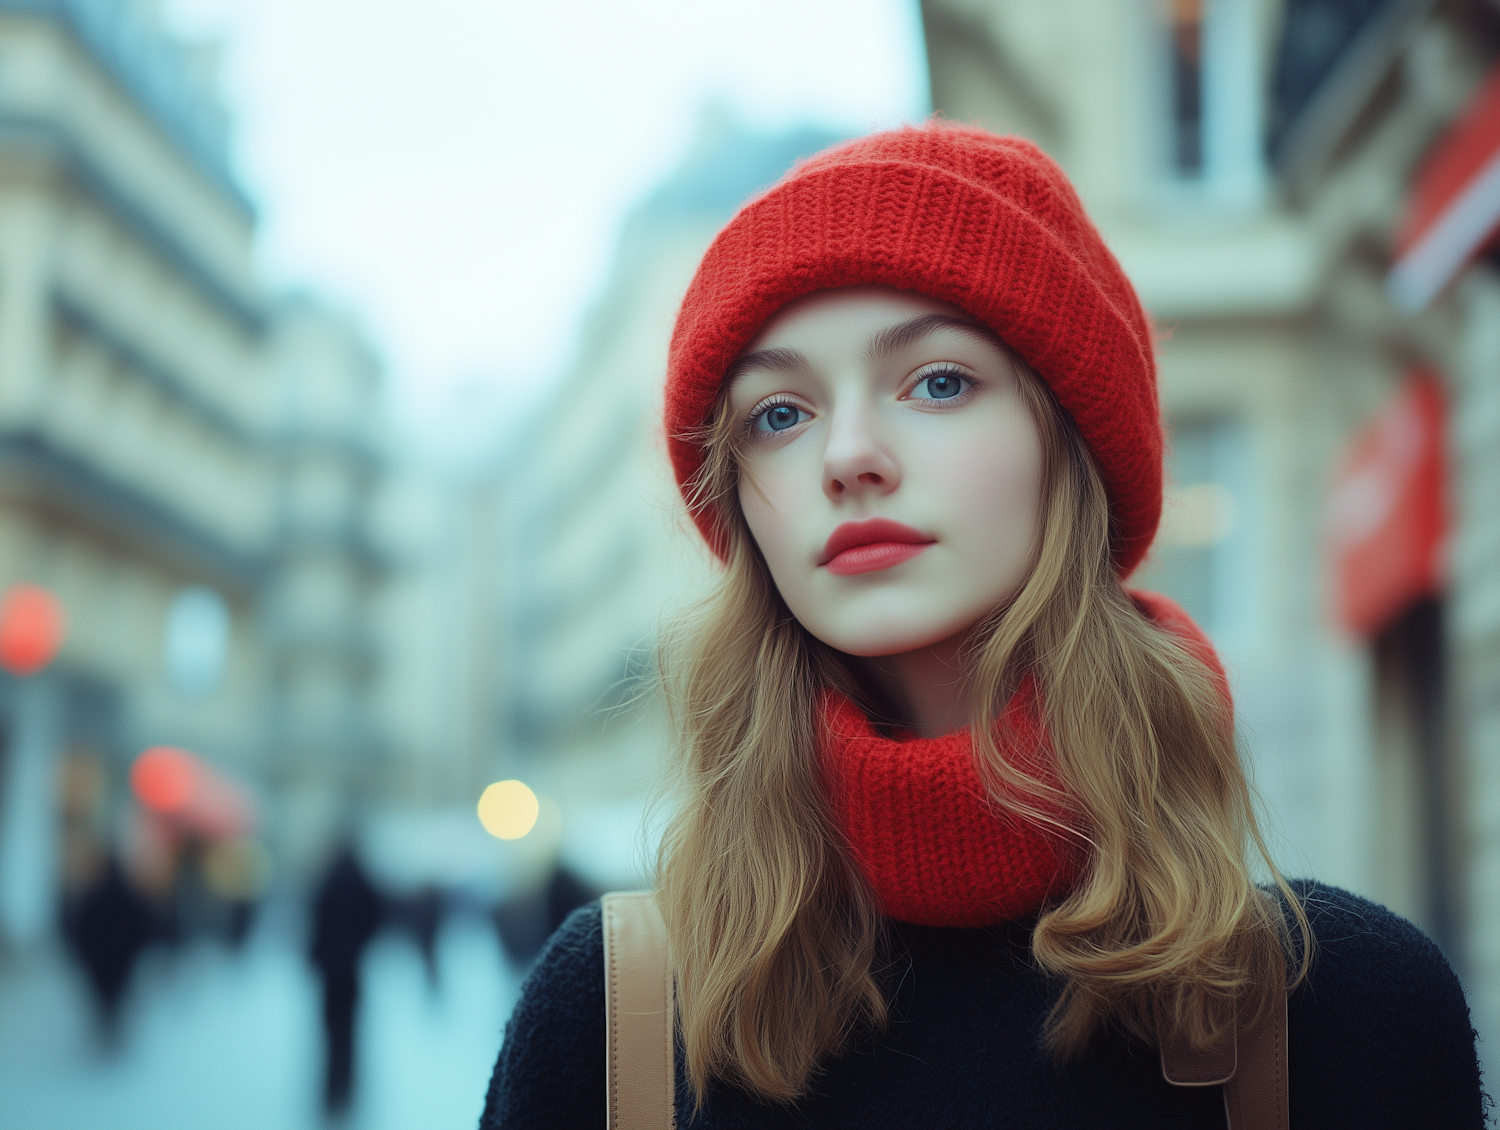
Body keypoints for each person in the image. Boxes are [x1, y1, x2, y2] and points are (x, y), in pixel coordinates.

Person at [481, 124, 1485, 1127]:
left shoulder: (1352, 1014)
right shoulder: (614, 1023)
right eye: (779, 413)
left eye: (939, 381)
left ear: (1071, 442)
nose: (850, 455)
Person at [309, 844, 384, 1118]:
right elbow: (377, 915)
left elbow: (314, 921)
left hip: (330, 972)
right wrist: (360, 946)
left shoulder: (327, 880)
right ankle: (347, 1092)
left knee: (330, 1034)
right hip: (351, 970)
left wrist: (317, 955)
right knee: (349, 1034)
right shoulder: (362, 880)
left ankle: (330, 1094)